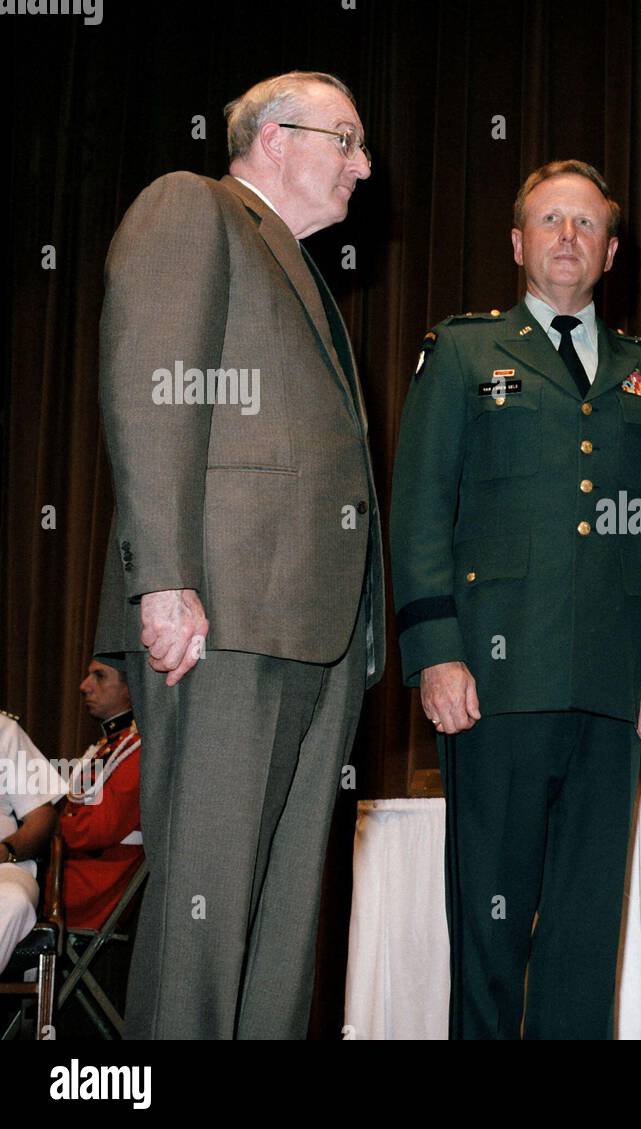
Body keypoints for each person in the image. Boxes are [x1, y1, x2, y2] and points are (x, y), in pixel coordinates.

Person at [94, 71, 385, 1039]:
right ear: (272, 138)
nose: (363, 164)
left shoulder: (299, 269)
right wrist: (164, 578)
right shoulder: (195, 209)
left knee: (281, 921)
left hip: (312, 631)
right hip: (221, 618)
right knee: (206, 913)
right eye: (344, 140)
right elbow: (152, 390)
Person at [390, 160, 641, 1039]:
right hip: (493, 684)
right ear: (520, 243)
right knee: (489, 930)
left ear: (610, 251)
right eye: (551, 221)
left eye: (587, 224)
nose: (570, 237)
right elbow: (420, 514)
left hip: (611, 690)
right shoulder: (462, 353)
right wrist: (435, 651)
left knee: (584, 929)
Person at [60, 661, 143, 932]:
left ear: (130, 688)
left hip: (92, 890)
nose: (84, 686)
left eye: (99, 676)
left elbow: (89, 831)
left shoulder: (136, 751)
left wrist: (47, 824)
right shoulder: (114, 745)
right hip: (79, 876)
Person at [0, 711, 64, 973]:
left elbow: (41, 817)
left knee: (12, 900)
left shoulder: (3, 729)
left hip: (3, 866)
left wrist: (6, 850)